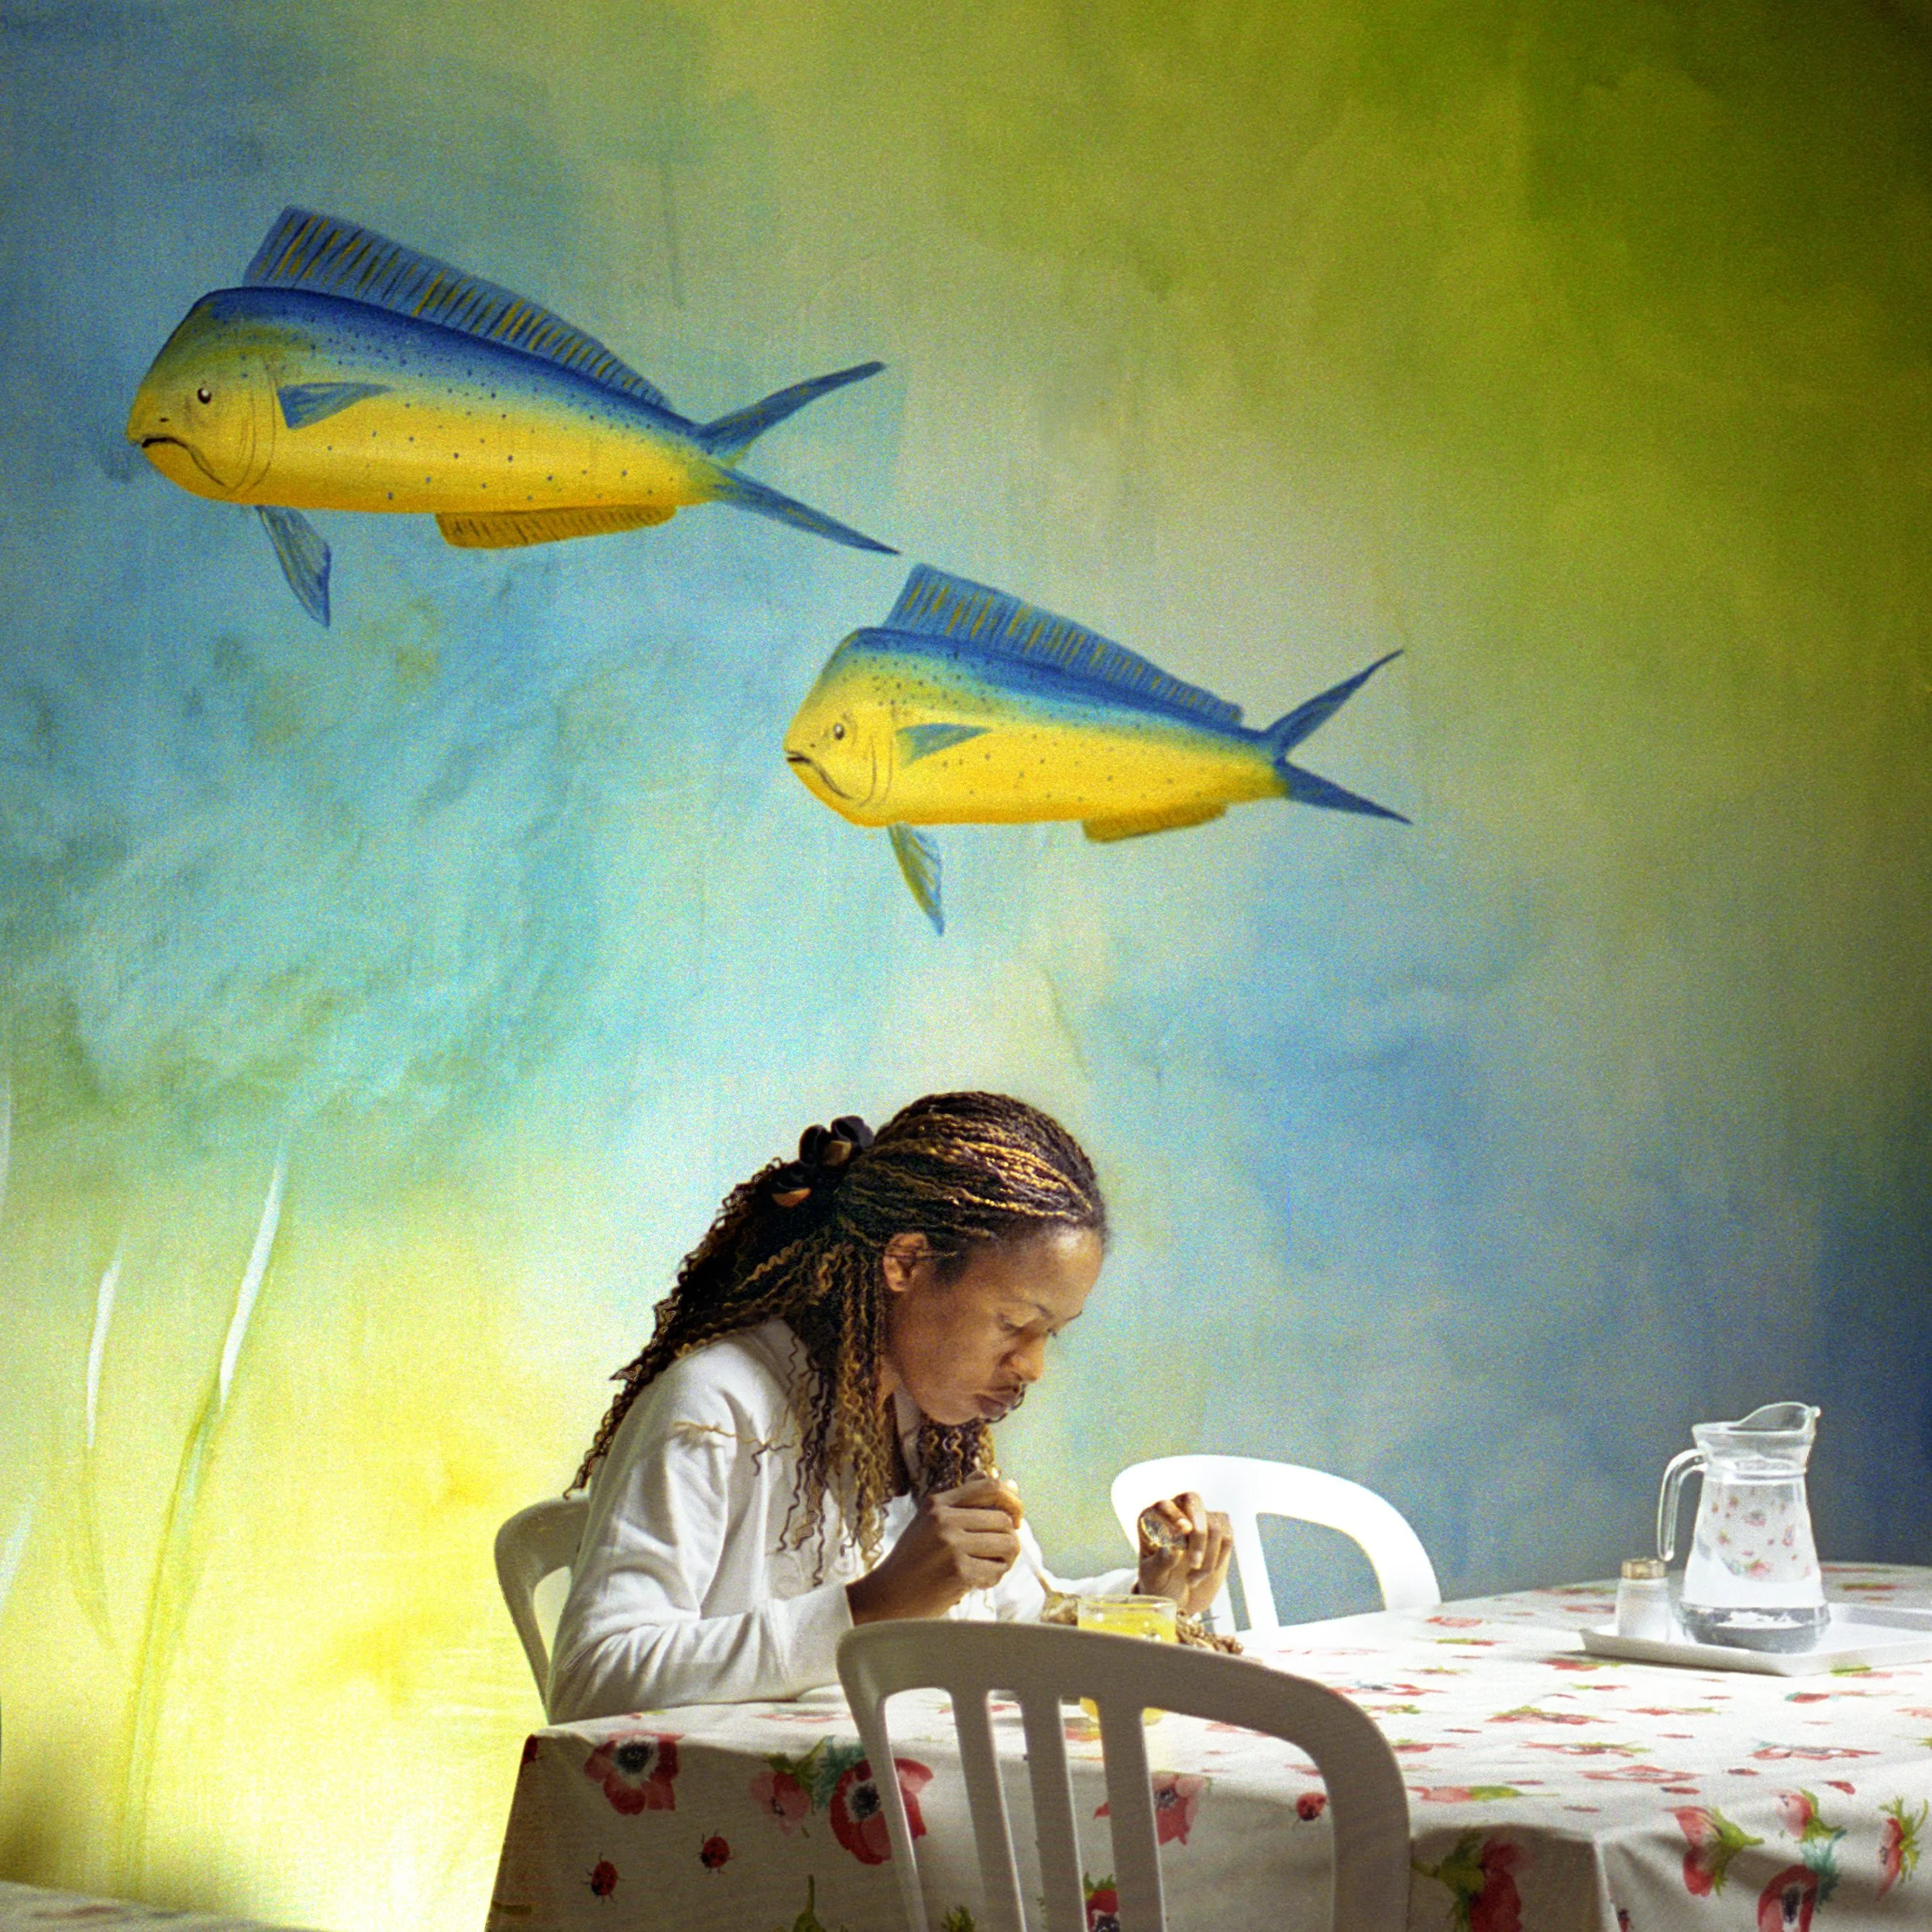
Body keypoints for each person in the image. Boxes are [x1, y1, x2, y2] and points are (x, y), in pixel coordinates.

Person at [546, 1091, 1235, 1720]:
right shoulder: (718, 1407)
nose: (1032, 1366)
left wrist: (1152, 1595)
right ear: (904, 1263)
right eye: (1012, 1324)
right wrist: (872, 1609)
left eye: (1048, 1334)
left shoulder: (934, 1428)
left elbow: (1023, 1624)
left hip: (899, 1828)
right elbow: (592, 1676)